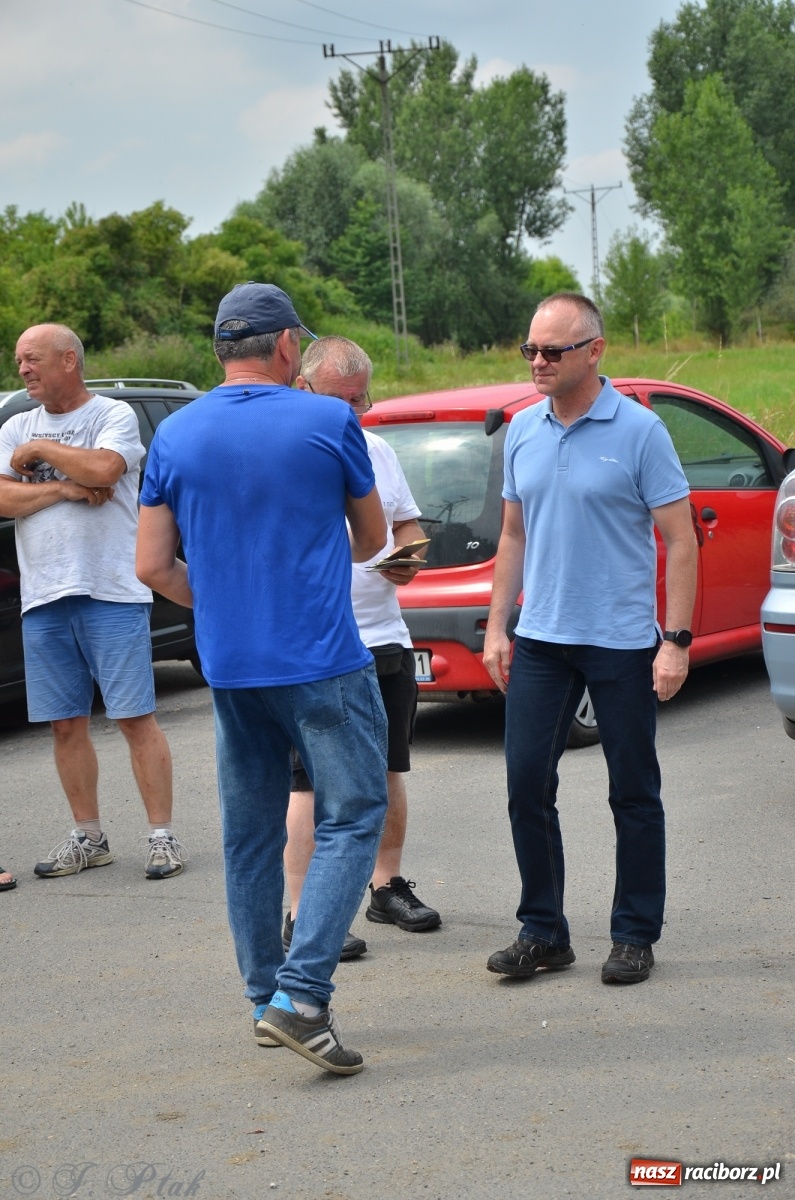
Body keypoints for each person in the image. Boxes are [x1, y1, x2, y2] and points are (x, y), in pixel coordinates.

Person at [135, 283, 389, 1076]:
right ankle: (301, 997)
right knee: (353, 816)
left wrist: (225, 595)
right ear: (286, 347)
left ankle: (263, 998)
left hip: (231, 665)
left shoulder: (174, 434)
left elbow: (149, 565)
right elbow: (372, 537)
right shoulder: (326, 419)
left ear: (220, 348)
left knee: (250, 835)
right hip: (320, 659)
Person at [483, 293, 697, 986]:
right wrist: (496, 626)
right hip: (541, 637)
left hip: (620, 641)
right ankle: (543, 931)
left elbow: (679, 540)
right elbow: (511, 535)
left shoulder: (639, 432)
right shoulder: (521, 429)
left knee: (632, 791)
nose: (537, 362)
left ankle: (634, 933)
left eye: (552, 351)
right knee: (524, 784)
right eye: (530, 350)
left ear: (594, 350)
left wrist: (676, 640)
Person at [0, 324, 183, 882]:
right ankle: (89, 836)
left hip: (110, 590)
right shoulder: (13, 424)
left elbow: (107, 469)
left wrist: (37, 454)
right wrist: (62, 487)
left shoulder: (113, 416)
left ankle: (162, 838)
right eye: (18, 361)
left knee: (133, 717)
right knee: (64, 724)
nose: (23, 369)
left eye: (32, 359)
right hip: (43, 595)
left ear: (69, 361)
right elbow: (4, 496)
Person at [283, 336, 440, 964]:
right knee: (309, 785)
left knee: (387, 768)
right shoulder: (288, 454)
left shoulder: (374, 448)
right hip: (315, 644)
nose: (357, 410)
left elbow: (408, 527)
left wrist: (410, 560)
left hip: (384, 638)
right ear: (304, 388)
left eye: (362, 397)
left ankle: (387, 885)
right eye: (344, 399)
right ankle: (302, 912)